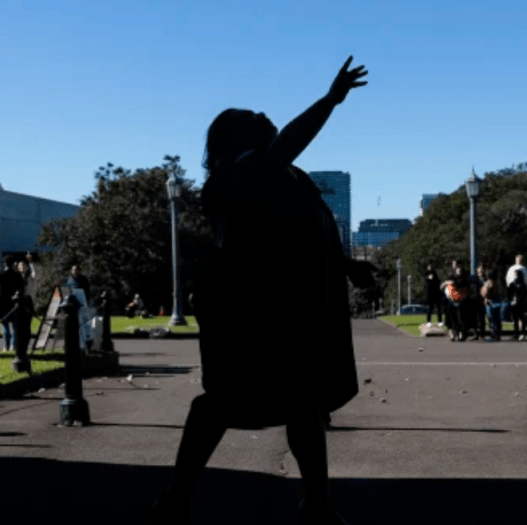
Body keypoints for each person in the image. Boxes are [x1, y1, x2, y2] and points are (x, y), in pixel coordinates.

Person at [152, 56, 366, 525]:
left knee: (300, 403)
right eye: (254, 118)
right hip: (248, 305)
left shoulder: (280, 175)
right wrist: (330, 100)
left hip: (283, 304)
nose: (265, 116)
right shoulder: (244, 168)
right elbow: (284, 148)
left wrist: (347, 265)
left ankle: (316, 503)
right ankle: (179, 495)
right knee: (225, 401)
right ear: (239, 137)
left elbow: (298, 231)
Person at [0, 255, 24, 351]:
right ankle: (13, 345)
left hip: (4, 303)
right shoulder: (17, 275)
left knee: (5, 326)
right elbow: (21, 287)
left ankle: (6, 345)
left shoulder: (1, 276)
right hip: (14, 302)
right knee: (14, 326)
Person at [505, 254, 527, 341]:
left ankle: (522, 332)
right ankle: (516, 332)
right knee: (515, 317)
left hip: (520, 297)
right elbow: (508, 280)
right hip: (514, 296)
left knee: (521, 316)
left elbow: (526, 282)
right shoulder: (512, 269)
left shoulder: (523, 269)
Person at [480, 264, 502, 340]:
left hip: (490, 302)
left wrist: (483, 290)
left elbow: (484, 293)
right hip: (497, 301)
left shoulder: (489, 283)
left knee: (492, 319)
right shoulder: (497, 283)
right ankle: (498, 334)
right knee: (497, 319)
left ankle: (493, 334)